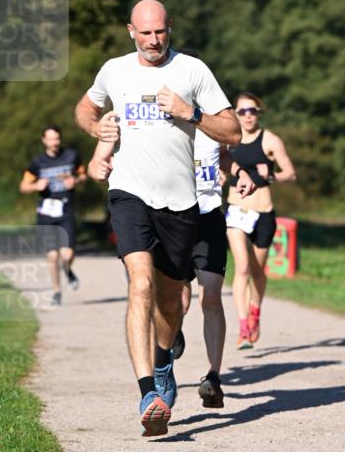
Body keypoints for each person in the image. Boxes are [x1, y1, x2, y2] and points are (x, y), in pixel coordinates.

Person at [75, 0, 240, 437]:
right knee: (140, 283)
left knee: (170, 301)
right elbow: (85, 108)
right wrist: (96, 129)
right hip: (129, 193)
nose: (153, 40)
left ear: (171, 29)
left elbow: (233, 131)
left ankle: (164, 359)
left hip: (181, 202)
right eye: (145, 33)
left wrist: (192, 113)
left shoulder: (193, 71)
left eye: (160, 32)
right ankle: (148, 392)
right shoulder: (115, 70)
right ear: (131, 30)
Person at [88, 129, 255, 409]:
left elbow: (222, 155)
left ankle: (213, 376)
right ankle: (167, 343)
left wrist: (241, 172)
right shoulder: (158, 124)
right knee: (177, 300)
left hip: (207, 217)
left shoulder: (209, 120)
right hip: (172, 217)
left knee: (211, 295)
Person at [225, 92, 297, 349]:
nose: (247, 116)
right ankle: (243, 326)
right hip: (236, 211)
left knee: (257, 271)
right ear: (235, 113)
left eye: (252, 111)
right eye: (242, 111)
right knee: (242, 267)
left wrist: (272, 176)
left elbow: (290, 173)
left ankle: (255, 310)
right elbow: (220, 166)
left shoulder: (270, 140)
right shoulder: (229, 141)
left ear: (258, 113)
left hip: (264, 213)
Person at [20, 126, 87, 306]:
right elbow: (23, 186)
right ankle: (57, 291)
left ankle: (67, 269)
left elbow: (84, 175)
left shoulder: (71, 156)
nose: (54, 143)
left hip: (65, 210)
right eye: (50, 139)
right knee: (51, 256)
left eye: (57, 139)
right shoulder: (37, 162)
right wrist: (36, 186)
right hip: (46, 213)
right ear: (44, 140)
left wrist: (76, 180)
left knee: (67, 254)